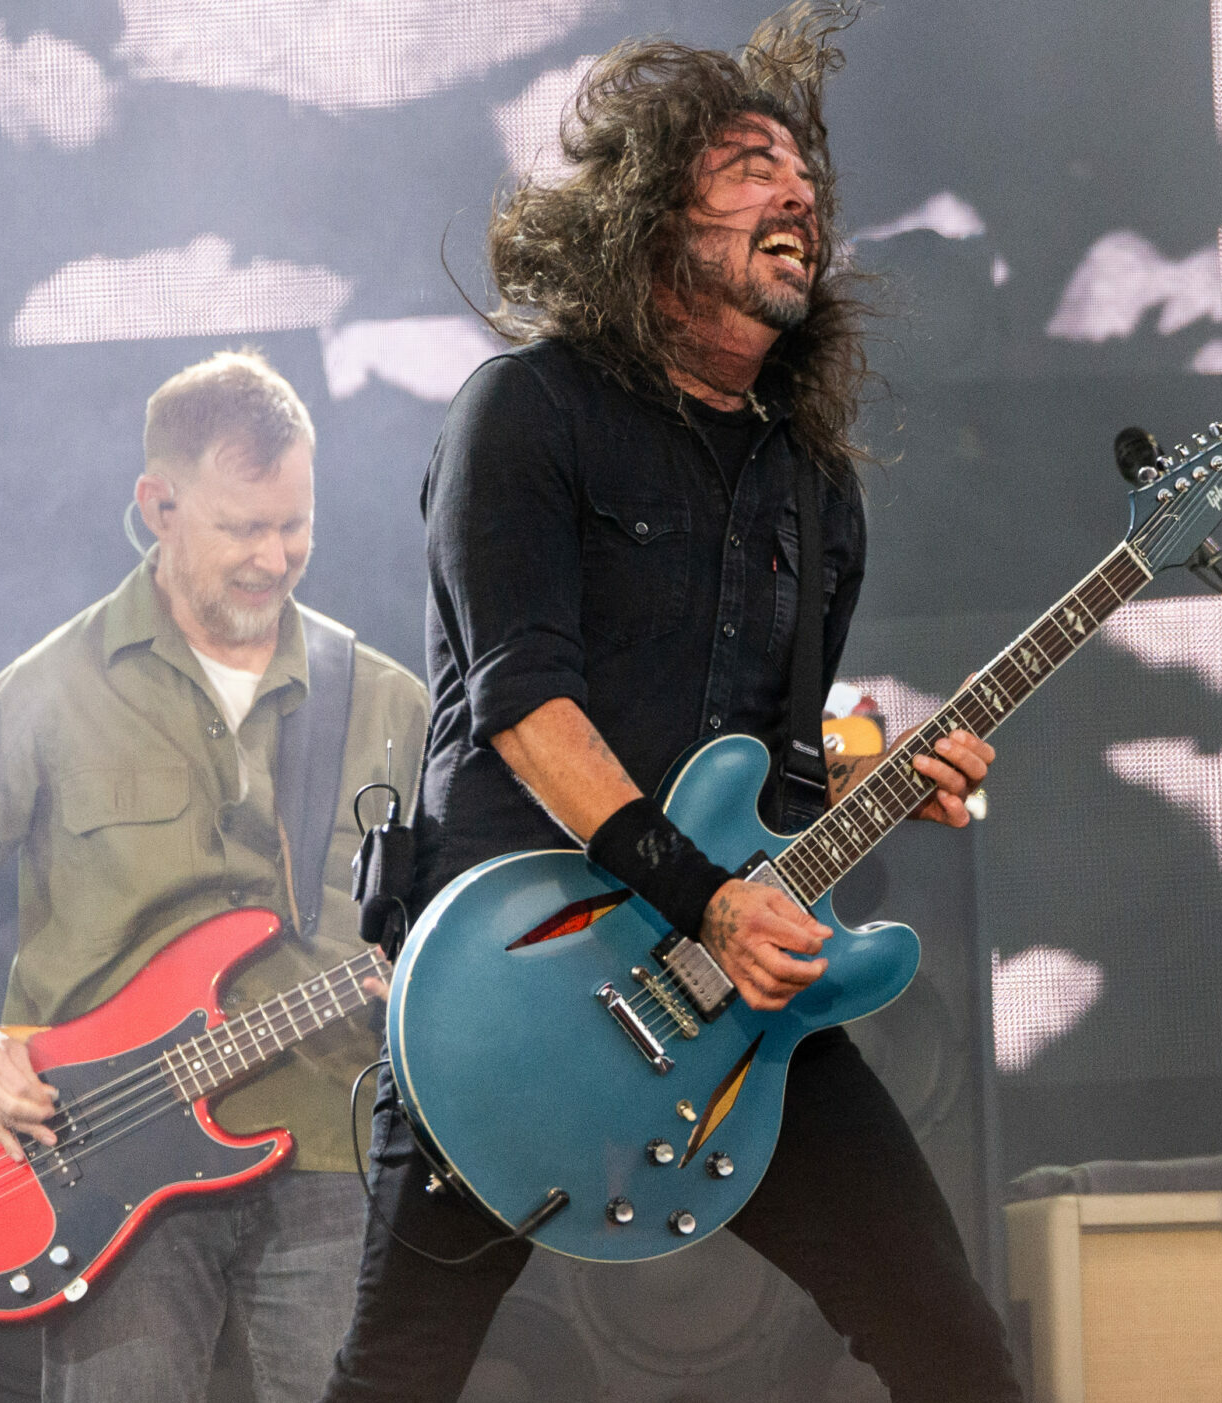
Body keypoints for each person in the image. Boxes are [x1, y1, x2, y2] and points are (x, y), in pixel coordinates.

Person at [322, 7, 1023, 1401]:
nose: (799, 198)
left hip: (730, 1000)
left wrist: (884, 786)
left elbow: (775, 776)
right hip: (513, 982)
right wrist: (706, 899)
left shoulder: (813, 488)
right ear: (649, 217)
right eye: (752, 169)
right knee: (399, 1373)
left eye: (807, 180)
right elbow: (527, 706)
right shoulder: (526, 412)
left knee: (955, 1347)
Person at [0, 350, 428, 1403]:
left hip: (329, 1137)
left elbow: (453, 904)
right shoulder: (52, 686)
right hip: (100, 1153)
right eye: (241, 528)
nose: (273, 557)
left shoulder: (388, 701)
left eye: (294, 524)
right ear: (158, 506)